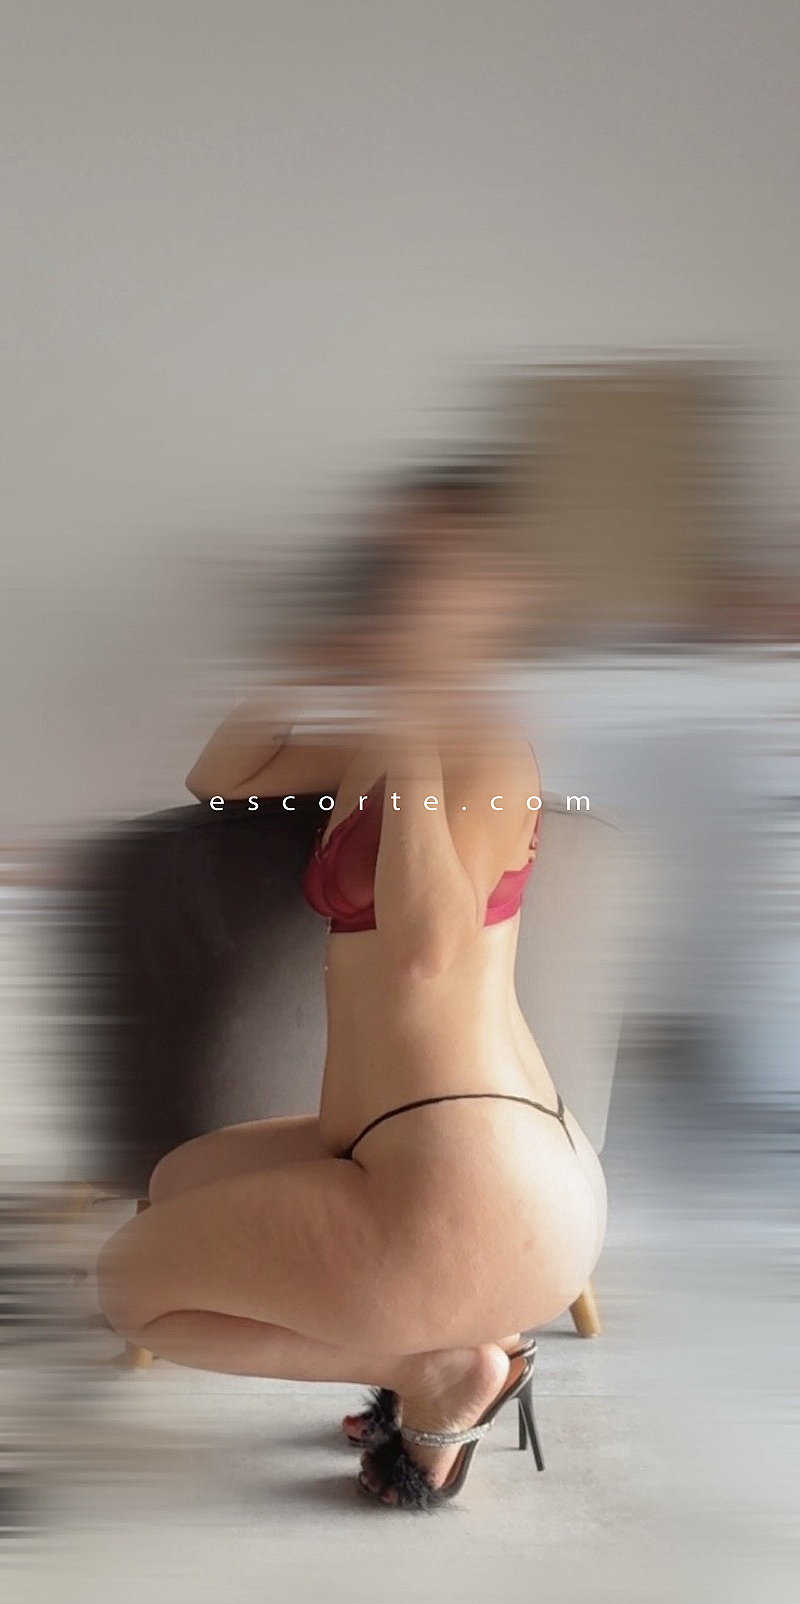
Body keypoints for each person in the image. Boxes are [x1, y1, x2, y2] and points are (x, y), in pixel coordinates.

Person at [97, 460, 607, 1510]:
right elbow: (219, 779)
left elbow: (423, 949)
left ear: (506, 592)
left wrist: (412, 716)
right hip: (424, 1150)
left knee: (129, 1287)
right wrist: (321, 657)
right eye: (393, 560)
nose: (405, 580)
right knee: (179, 1179)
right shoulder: (384, 730)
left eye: (437, 563)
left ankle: (438, 1367)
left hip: (469, 1178)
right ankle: (461, 1333)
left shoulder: (483, 743)